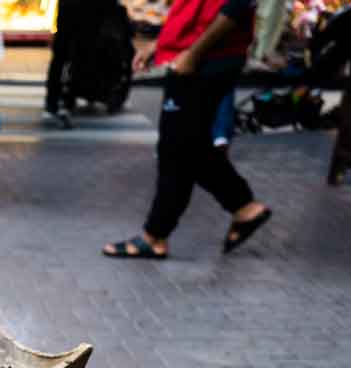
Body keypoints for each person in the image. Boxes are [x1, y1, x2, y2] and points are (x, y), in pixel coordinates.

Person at [101, 0, 273, 259]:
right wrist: (162, 42)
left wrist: (193, 53)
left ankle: (155, 236)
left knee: (176, 148)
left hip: (207, 59)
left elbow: (236, 6)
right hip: (197, 54)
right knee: (189, 145)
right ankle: (244, 207)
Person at [44, 0, 103, 128]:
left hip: (71, 12)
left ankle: (55, 100)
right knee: (73, 58)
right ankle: (64, 101)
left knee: (62, 58)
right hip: (80, 14)